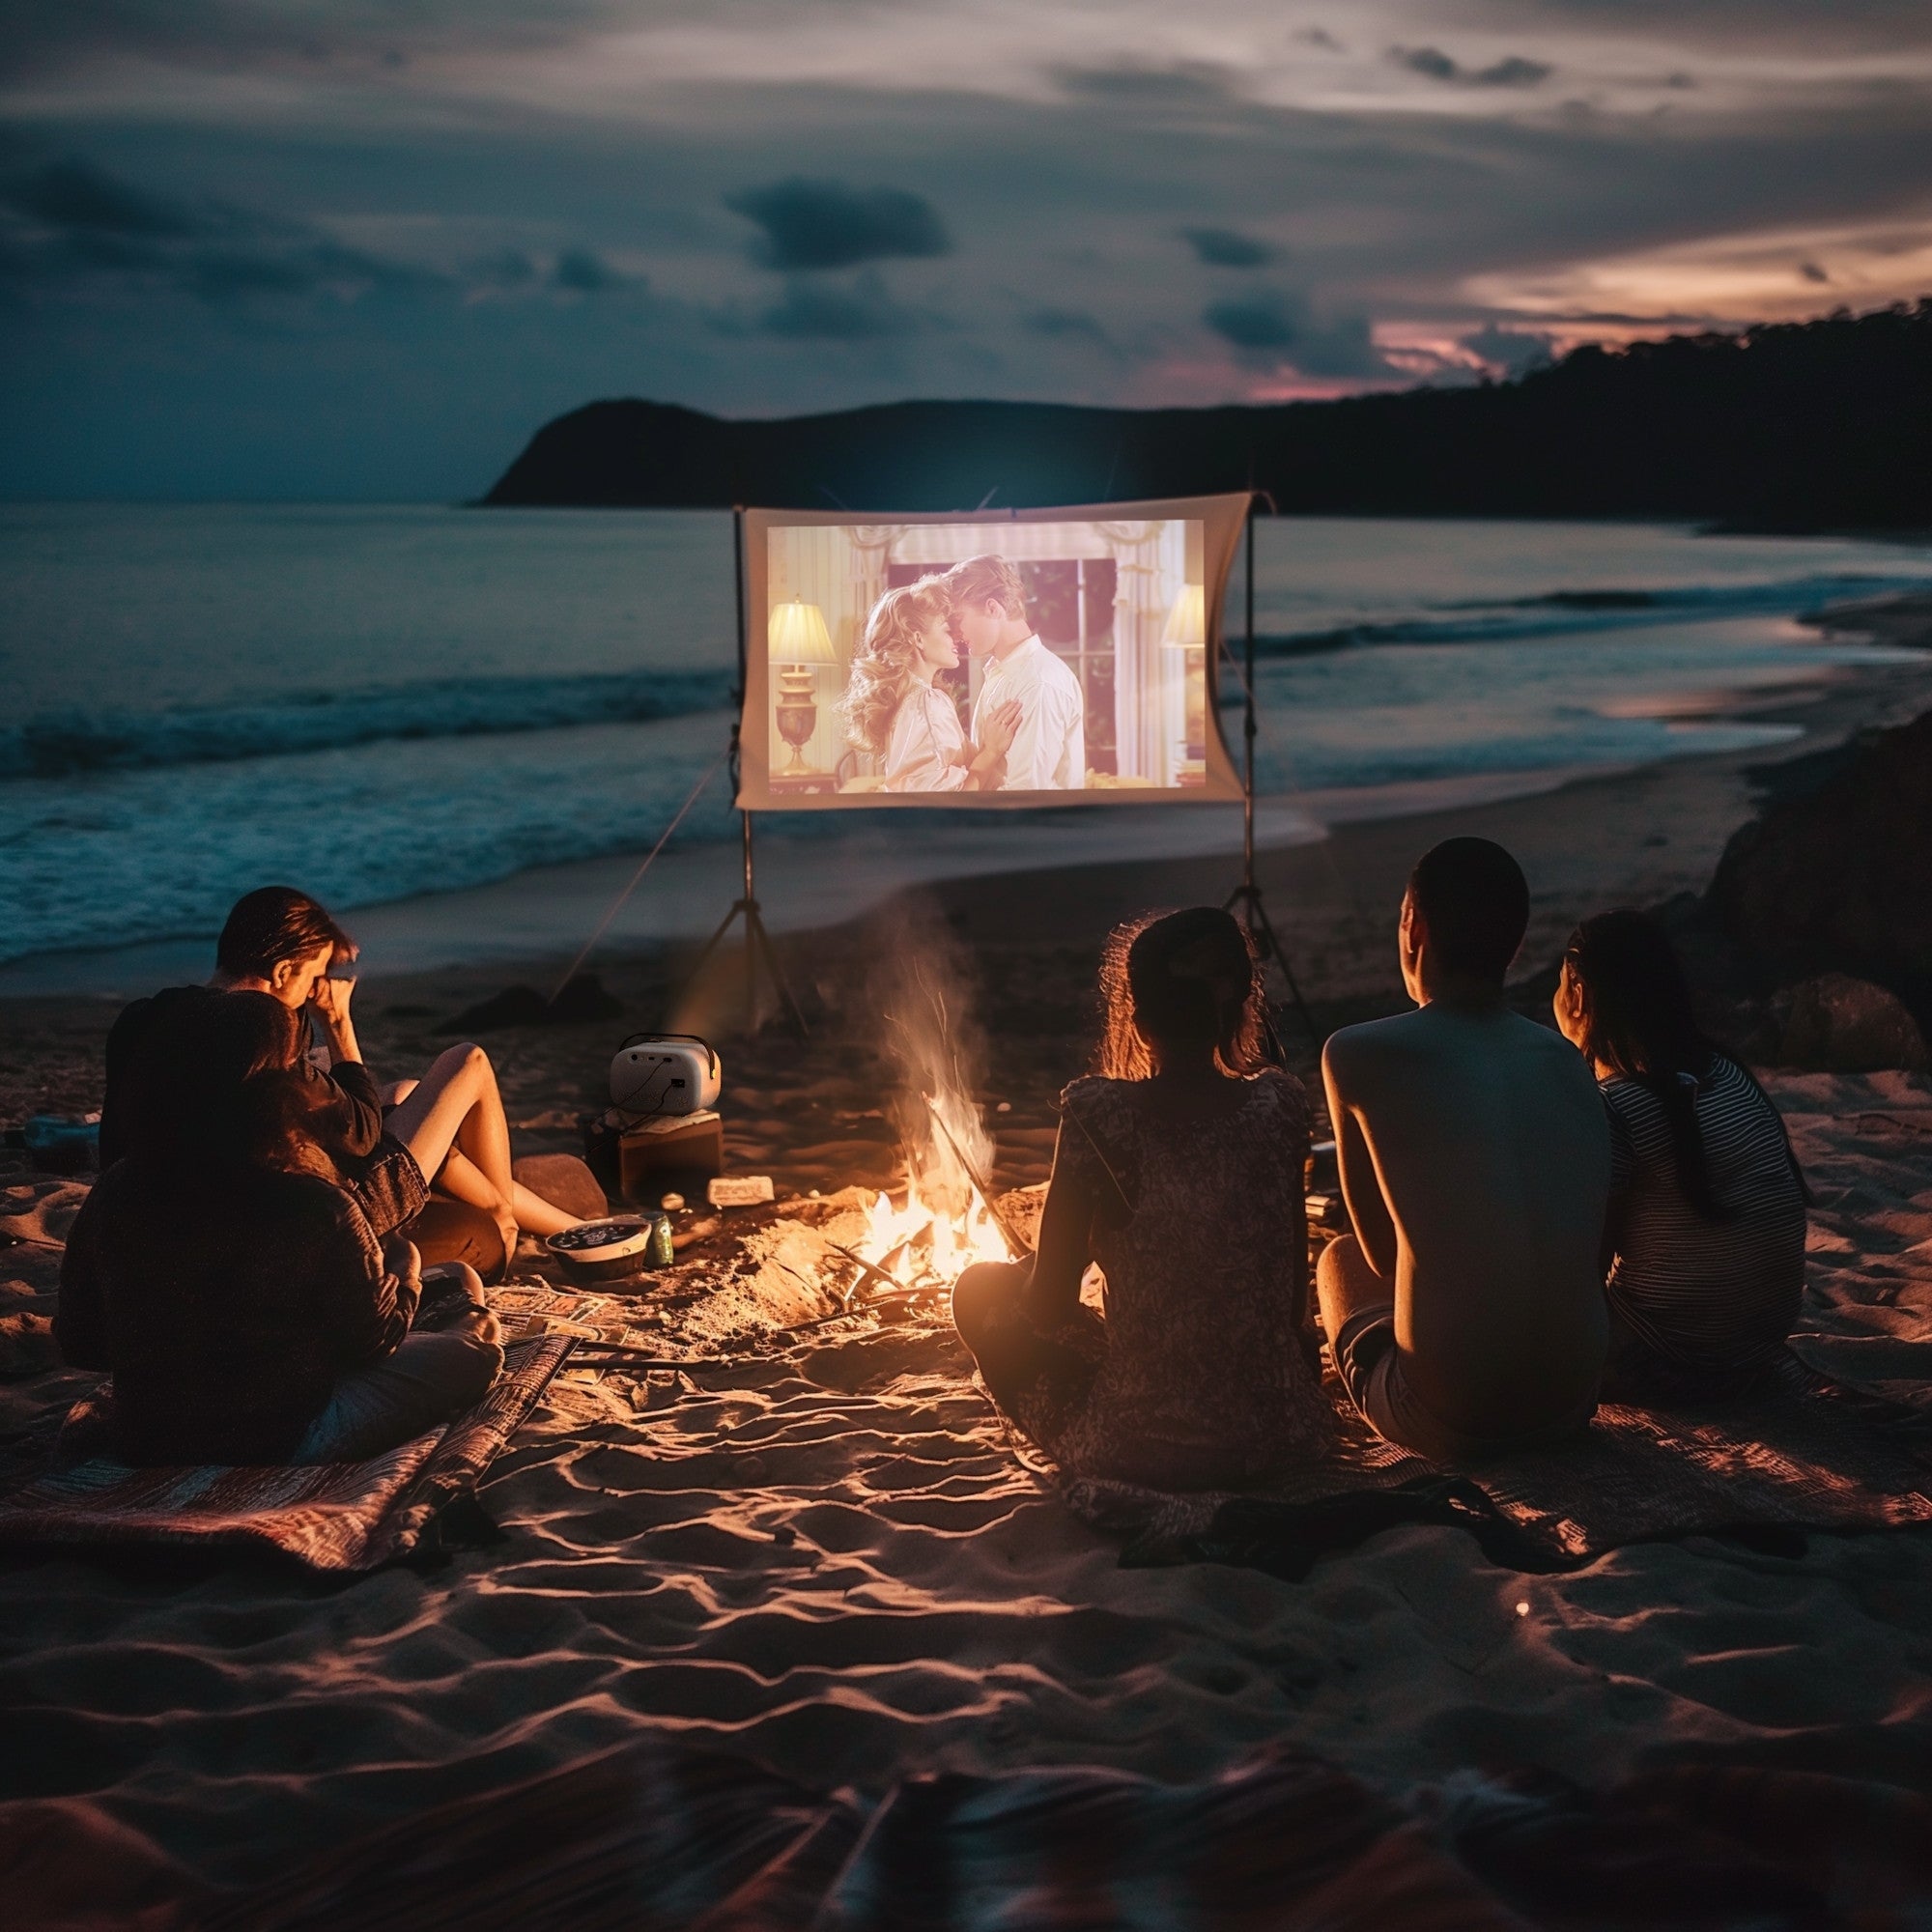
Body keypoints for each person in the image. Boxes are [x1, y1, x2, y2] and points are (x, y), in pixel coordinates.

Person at [952, 907, 1332, 1490]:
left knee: (979, 1289)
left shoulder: (1098, 1113)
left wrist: (1033, 1271)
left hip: (1149, 1448)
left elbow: (1048, 1306)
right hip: (1284, 1434)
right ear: (1232, 1011)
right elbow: (1289, 1298)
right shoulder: (1281, 1106)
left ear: (1139, 1021)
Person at [58, 992, 503, 1465]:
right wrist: (407, 1266)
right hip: (284, 1431)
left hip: (149, 1431)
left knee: (456, 1273)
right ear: (281, 1093)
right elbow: (376, 1341)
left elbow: (81, 1343)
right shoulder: (314, 1201)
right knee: (475, 1351)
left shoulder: (117, 1188)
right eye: (302, 1068)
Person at [99, 886, 582, 1274]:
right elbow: (362, 1134)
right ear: (284, 970)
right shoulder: (266, 1026)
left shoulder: (141, 1018)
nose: (316, 990)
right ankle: (504, 1227)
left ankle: (566, 1226)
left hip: (177, 1223)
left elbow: (115, 1150)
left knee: (407, 1094)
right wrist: (339, 1025)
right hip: (312, 1223)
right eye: (313, 976)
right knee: (467, 1061)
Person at [1318, 838, 1610, 1462]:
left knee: (1338, 1259)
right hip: (1575, 1398)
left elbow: (1379, 1255)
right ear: (1517, 943)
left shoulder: (1356, 1052)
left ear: (1413, 928)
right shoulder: (1563, 1057)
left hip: (1454, 1417)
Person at [1554, 909, 1808, 1399]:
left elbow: (1587, 1269)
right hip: (1757, 1344)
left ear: (1580, 996)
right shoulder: (1726, 1070)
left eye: (1562, 985)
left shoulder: (1616, 1106)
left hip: (1669, 1354)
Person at [838, 579, 1021, 791]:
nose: (957, 639)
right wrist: (991, 751)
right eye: (946, 631)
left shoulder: (907, 699)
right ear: (918, 639)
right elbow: (949, 800)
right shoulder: (925, 702)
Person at [944, 554, 1086, 791]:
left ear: (992, 608)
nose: (955, 633)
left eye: (959, 619)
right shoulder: (1004, 672)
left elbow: (1027, 792)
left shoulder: (1038, 683)